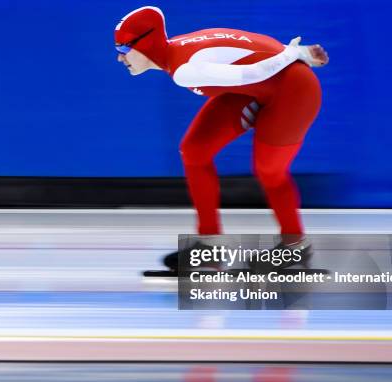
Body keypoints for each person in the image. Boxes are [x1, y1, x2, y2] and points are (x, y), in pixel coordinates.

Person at [114, 6, 329, 270]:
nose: (120, 59)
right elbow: (250, 46)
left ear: (144, 44)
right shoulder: (179, 49)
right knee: (195, 151)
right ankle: (210, 245)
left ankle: (295, 248)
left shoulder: (184, 69)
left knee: (269, 171)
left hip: (294, 91)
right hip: (257, 88)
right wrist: (294, 51)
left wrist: (296, 53)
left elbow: (253, 73)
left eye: (123, 50)